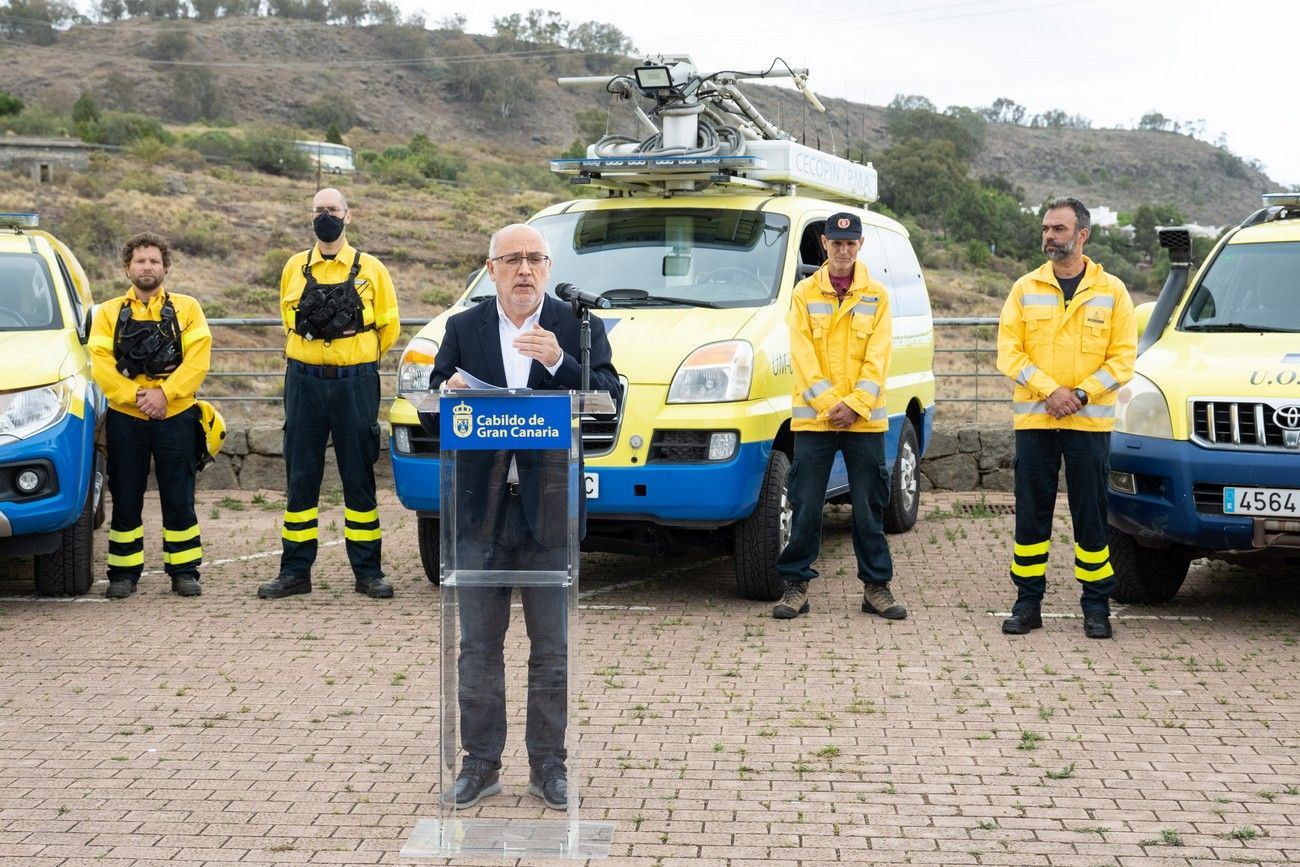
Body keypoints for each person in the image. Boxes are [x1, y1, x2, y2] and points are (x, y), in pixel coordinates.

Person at [429, 223, 620, 811]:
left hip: (547, 508)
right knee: (478, 647)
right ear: (491, 269)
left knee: (551, 648)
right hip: (477, 509)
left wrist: (563, 361)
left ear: (546, 266)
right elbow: (435, 391)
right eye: (512, 259)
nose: (524, 270)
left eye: (535, 259)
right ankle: (480, 764)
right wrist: (449, 387)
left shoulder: (576, 327)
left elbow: (610, 393)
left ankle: (549, 766)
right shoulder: (463, 327)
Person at [996, 196, 1137, 639]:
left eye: (1058, 229)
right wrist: (1049, 391)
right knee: (1031, 516)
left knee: (1091, 515)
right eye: (1045, 229)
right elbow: (1009, 353)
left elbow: (1122, 360)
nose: (1049, 237)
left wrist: (1078, 393)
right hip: (1037, 423)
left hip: (1087, 424)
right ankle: (1027, 602)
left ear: (1082, 235)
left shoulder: (1112, 291)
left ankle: (1096, 606)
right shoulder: (1024, 288)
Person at [258, 188, 400, 600]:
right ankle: (295, 572)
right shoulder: (293, 267)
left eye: (333, 210)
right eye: (319, 210)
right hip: (303, 382)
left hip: (354, 382)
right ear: (311, 217)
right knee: (300, 475)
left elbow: (388, 329)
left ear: (348, 216)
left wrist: (352, 356)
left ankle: (368, 573)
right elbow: (286, 321)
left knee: (359, 476)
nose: (326, 216)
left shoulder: (372, 269)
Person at [773, 212, 906, 622]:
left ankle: (876, 588)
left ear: (860, 245)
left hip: (863, 420)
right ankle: (795, 586)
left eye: (850, 244)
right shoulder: (803, 294)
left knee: (869, 507)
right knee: (806, 504)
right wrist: (831, 404)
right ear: (825, 246)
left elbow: (879, 358)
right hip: (816, 419)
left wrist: (855, 406)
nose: (843, 250)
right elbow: (802, 355)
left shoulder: (878, 296)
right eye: (836, 243)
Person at [89, 232, 211, 599]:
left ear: (165, 267)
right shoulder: (108, 313)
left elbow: (198, 360)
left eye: (154, 261)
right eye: (140, 261)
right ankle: (123, 574)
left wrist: (165, 394)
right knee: (125, 495)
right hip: (128, 418)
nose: (147, 267)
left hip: (177, 414)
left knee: (180, 494)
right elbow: (100, 364)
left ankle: (185, 571)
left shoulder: (188, 309)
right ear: (127, 267)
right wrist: (136, 396)